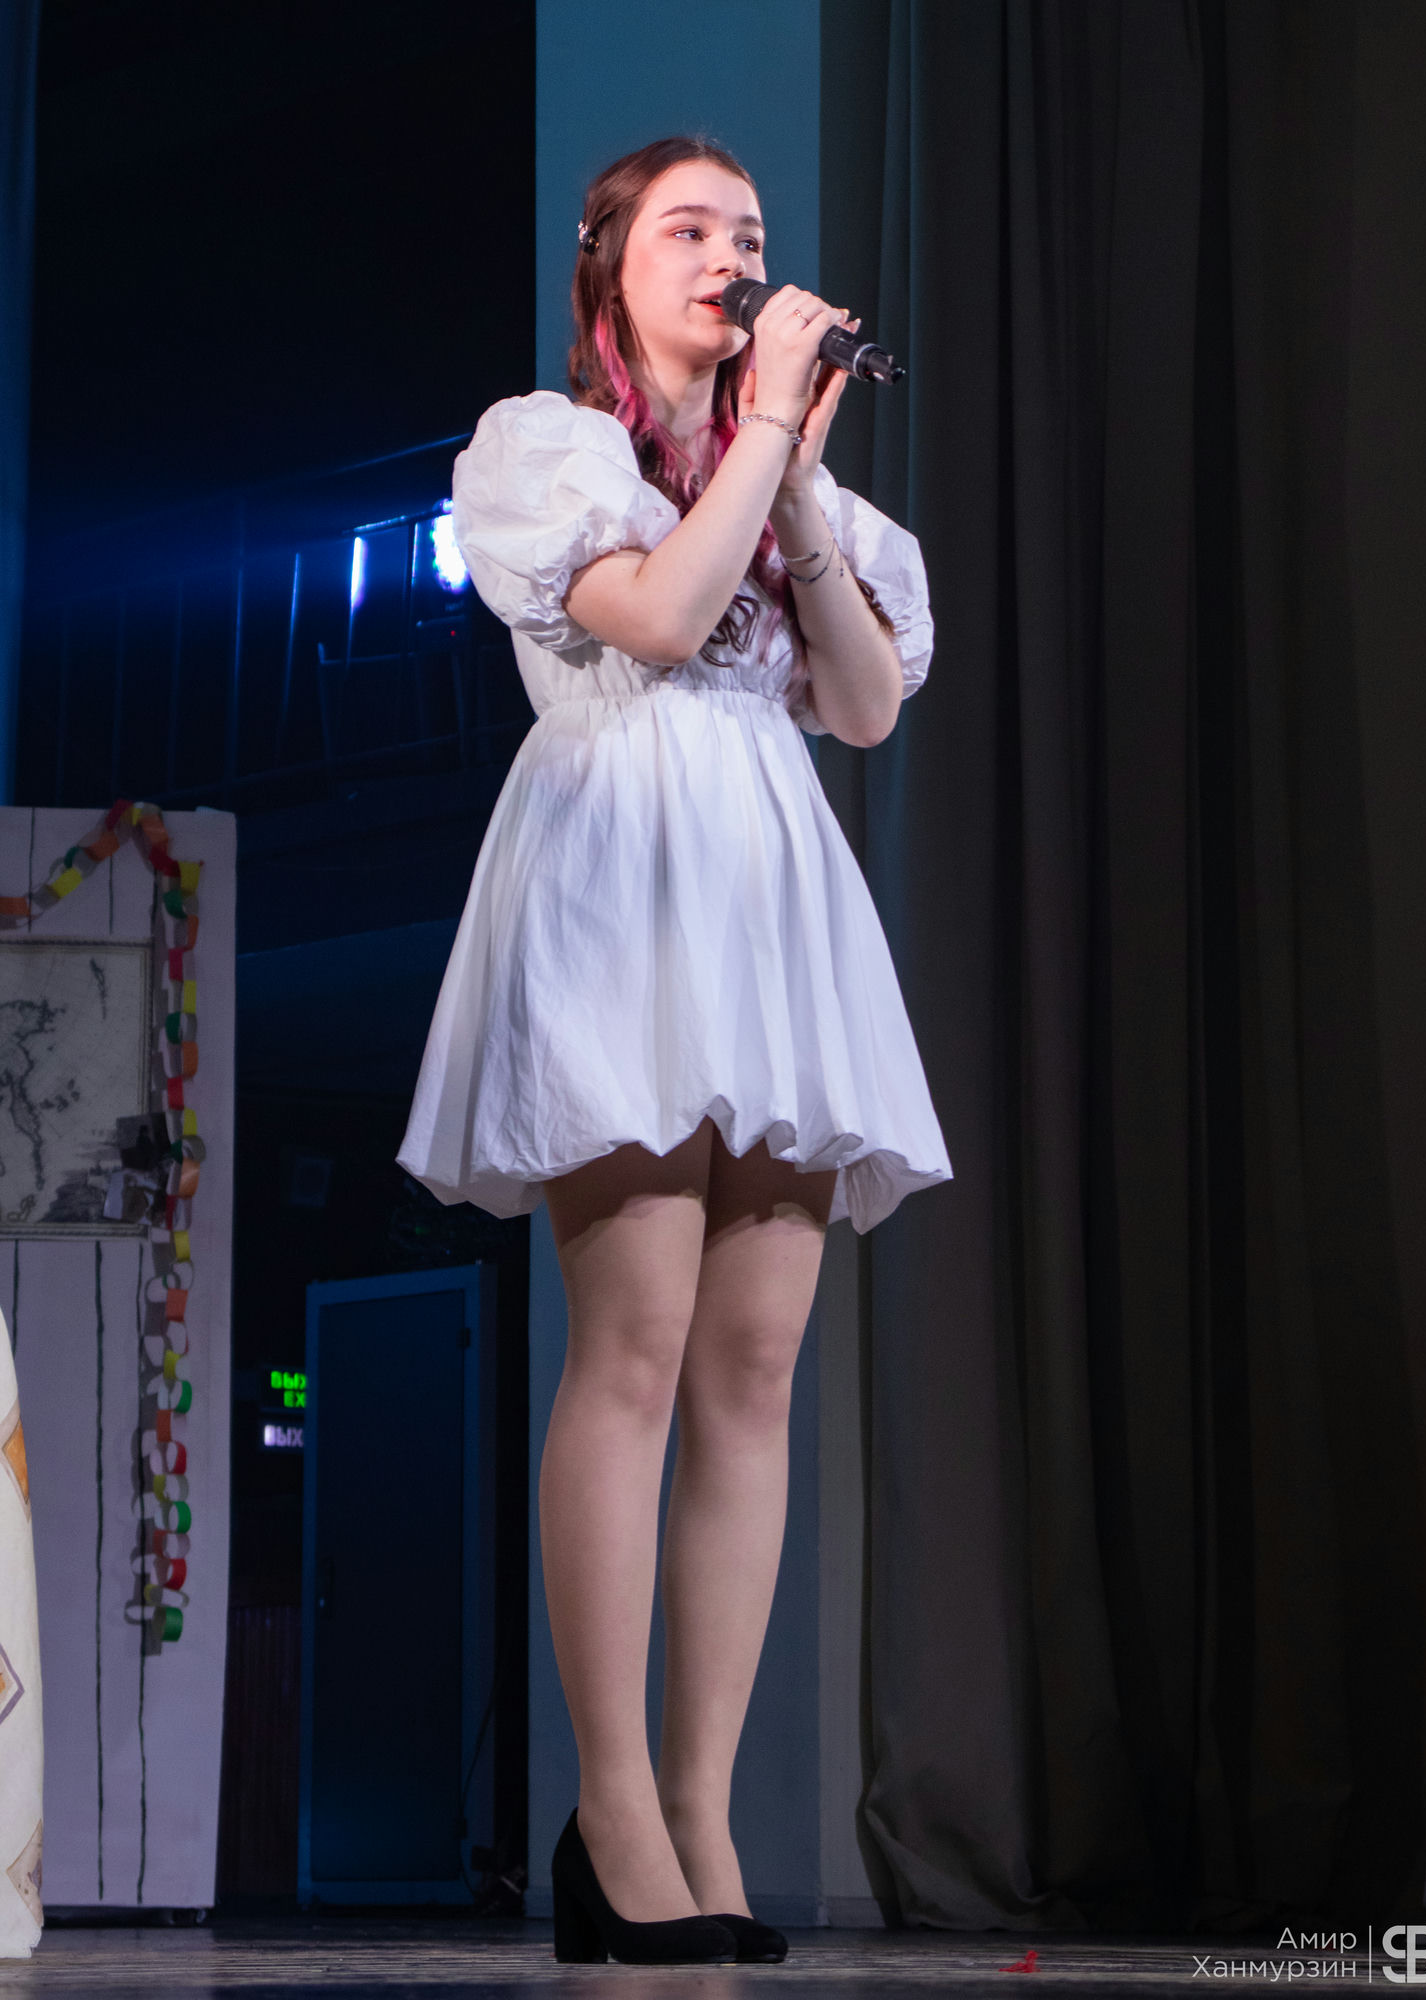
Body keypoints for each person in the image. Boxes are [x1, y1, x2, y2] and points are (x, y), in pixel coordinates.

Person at [396, 134, 952, 1966]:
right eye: (691, 229)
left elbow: (858, 709)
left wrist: (792, 480)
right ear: (610, 267)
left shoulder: (797, 487)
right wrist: (763, 435)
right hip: (619, 866)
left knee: (754, 1369)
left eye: (751, 234)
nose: (732, 258)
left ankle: (704, 1810)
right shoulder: (548, 450)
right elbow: (651, 615)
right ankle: (612, 1806)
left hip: (769, 891)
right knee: (629, 1347)